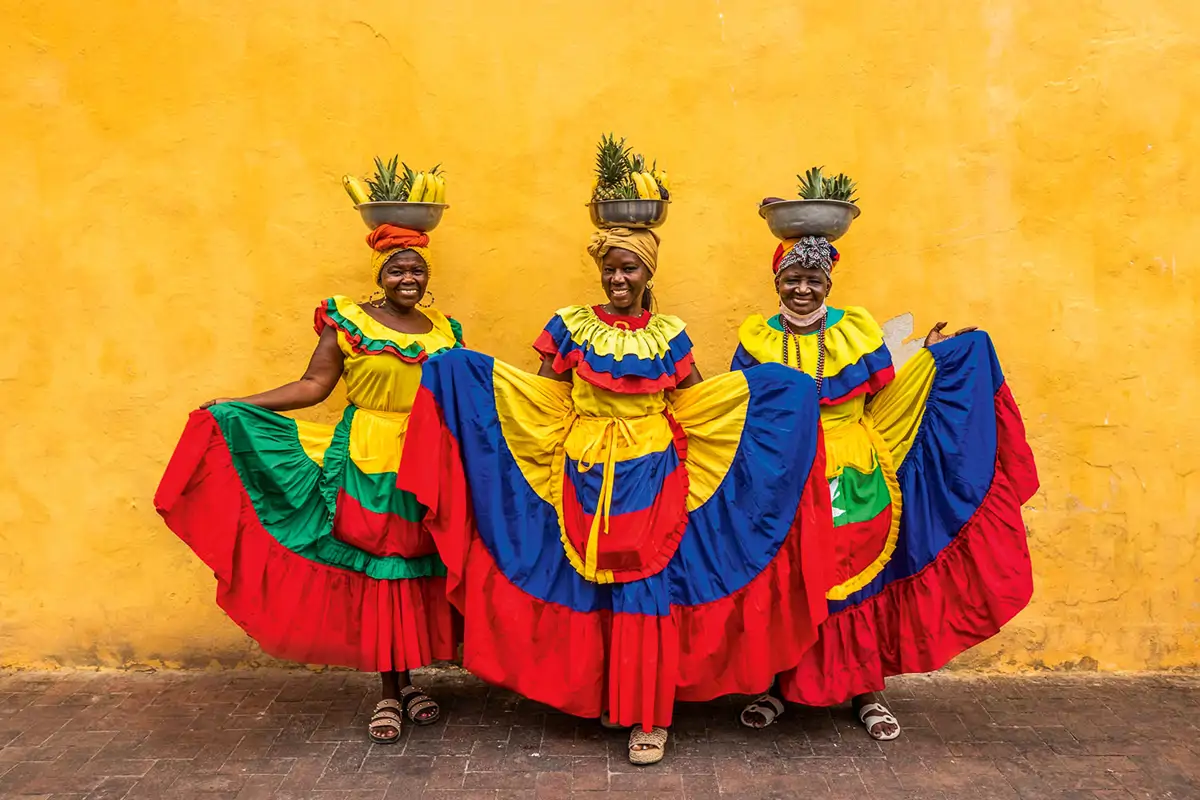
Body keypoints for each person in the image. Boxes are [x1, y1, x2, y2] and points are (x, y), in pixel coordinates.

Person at [399, 227, 834, 765]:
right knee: (588, 588)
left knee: (644, 588)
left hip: (652, 477)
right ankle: (607, 695)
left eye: (629, 268)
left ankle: (649, 718)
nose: (618, 278)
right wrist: (460, 374)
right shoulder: (571, 326)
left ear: (649, 273)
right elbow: (545, 392)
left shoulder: (669, 335)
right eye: (611, 268)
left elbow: (695, 400)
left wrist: (776, 393)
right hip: (580, 472)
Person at [155, 224, 463, 744]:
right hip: (367, 457)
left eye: (417, 270)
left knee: (416, 564)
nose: (407, 278)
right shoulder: (348, 323)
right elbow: (312, 386)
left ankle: (411, 682)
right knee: (381, 566)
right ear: (379, 276)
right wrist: (237, 405)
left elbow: (457, 395)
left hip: (425, 458)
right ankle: (390, 690)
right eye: (397, 269)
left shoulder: (445, 330)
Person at [732, 236, 1039, 740]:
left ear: (828, 284)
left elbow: (887, 391)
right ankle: (776, 686)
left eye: (813, 280)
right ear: (777, 283)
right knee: (792, 577)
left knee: (857, 576)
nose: (802, 289)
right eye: (792, 279)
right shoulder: (756, 338)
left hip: (852, 469)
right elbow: (745, 403)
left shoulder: (855, 330)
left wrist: (931, 359)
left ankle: (866, 690)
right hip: (786, 474)